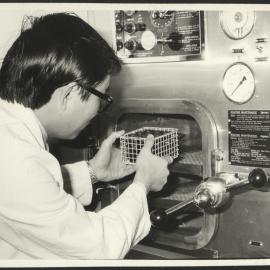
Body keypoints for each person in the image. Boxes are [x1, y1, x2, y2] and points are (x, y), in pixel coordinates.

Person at [0, 12, 171, 259]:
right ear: (68, 94)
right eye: (102, 97)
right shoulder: (17, 158)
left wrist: (93, 171)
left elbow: (34, 206)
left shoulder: (11, 137)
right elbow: (97, 248)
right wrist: (143, 183)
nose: (99, 111)